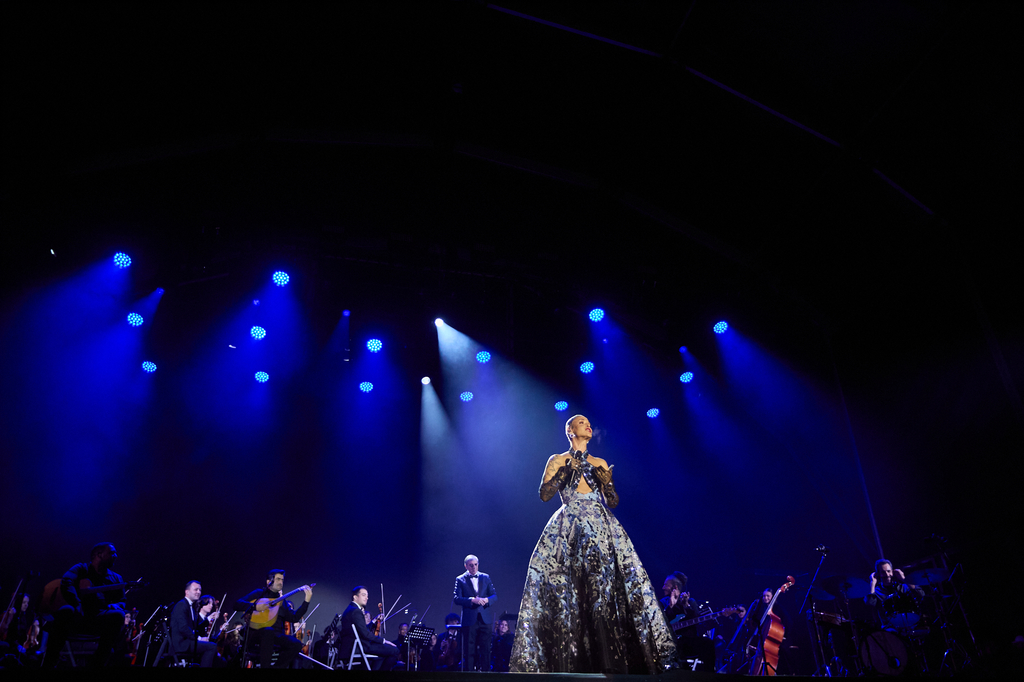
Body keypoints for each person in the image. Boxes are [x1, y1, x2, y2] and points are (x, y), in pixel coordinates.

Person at [509, 415, 677, 673]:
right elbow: (544, 495)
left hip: (601, 529)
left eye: (588, 422)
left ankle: (610, 662)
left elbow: (613, 502)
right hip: (571, 528)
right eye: (581, 422)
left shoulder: (599, 462)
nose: (588, 425)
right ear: (570, 430)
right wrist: (565, 471)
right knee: (571, 591)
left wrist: (608, 483)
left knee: (604, 592)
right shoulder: (557, 459)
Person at [43, 542, 128, 667]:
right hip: (77, 618)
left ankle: (96, 664)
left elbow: (122, 602)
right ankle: (49, 663)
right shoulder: (81, 569)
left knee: (118, 615)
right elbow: (66, 580)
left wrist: (115, 606)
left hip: (98, 619)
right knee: (65, 611)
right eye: (112, 552)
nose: (116, 555)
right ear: (98, 554)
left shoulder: (116, 578)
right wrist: (77, 603)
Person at [235, 569, 311, 669]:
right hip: (256, 633)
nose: (281, 582)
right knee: (268, 631)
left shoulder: (281, 600)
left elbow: (294, 617)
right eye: (278, 579)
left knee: (296, 644)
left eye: (282, 580)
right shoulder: (259, 593)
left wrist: (307, 600)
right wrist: (255, 607)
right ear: (269, 581)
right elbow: (237, 604)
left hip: (275, 635)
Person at [453, 554, 497, 671]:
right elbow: (456, 598)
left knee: (486, 649)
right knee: (469, 649)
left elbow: (494, 595)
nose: (474, 567)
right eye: (471, 565)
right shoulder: (460, 579)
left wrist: (487, 600)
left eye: (476, 565)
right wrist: (472, 600)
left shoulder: (485, 577)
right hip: (470, 618)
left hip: (485, 618)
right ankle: (469, 675)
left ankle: (486, 674)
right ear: (466, 566)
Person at [339, 586, 399, 670]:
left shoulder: (350, 609)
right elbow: (365, 633)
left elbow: (362, 629)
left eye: (367, 595)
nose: (366, 598)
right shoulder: (356, 611)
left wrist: (374, 621)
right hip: (359, 646)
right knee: (395, 650)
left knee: (382, 655)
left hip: (354, 646)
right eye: (363, 595)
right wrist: (384, 641)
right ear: (355, 597)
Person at [169, 581, 220, 667]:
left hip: (187, 642)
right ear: (187, 592)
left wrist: (209, 618)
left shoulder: (191, 607)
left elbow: (197, 627)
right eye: (195, 589)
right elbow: (183, 628)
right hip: (181, 644)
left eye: (200, 590)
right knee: (212, 647)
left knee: (214, 650)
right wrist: (199, 638)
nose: (198, 592)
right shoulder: (182, 605)